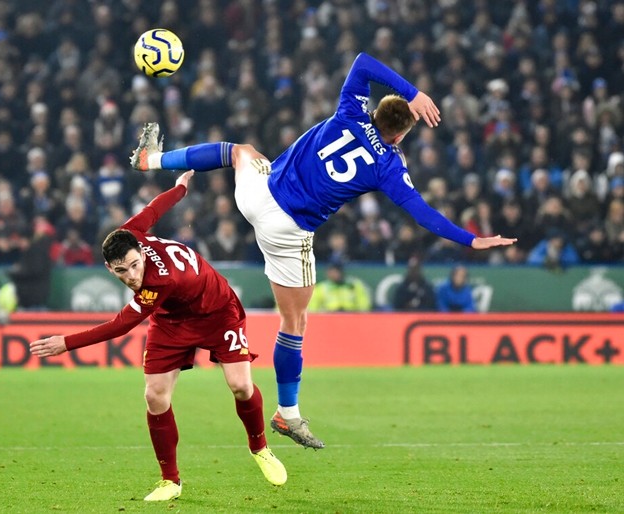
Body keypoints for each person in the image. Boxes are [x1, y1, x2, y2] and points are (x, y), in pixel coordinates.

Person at [130, 52, 517, 448]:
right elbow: (422, 214)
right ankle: (288, 414)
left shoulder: (351, 111)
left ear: (375, 111)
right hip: (287, 230)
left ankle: (154, 159)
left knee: (240, 151)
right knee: (293, 324)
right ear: (400, 135)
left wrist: (412, 92)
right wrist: (471, 239)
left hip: (257, 195)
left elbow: (364, 62)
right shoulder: (389, 165)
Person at [29, 171, 286, 502]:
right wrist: (179, 188)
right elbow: (155, 208)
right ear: (109, 268)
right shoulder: (129, 233)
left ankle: (260, 448)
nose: (133, 276)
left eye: (135, 265)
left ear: (139, 251)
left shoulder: (158, 281)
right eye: (122, 271)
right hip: (172, 320)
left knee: (240, 386)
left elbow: (122, 325)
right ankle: (170, 480)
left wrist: (67, 342)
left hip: (217, 312)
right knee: (154, 396)